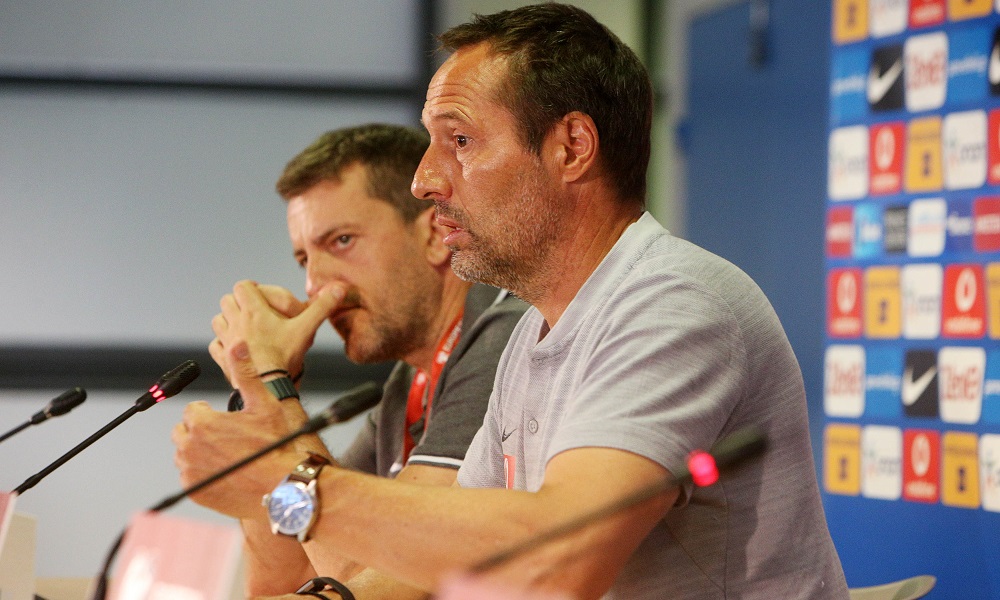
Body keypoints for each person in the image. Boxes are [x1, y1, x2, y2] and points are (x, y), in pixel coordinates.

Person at [174, 4, 849, 599]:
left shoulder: (674, 304)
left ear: (571, 148)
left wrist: (295, 483)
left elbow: (559, 563)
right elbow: (427, 572)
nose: (424, 180)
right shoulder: (533, 337)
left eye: (460, 141)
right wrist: (281, 468)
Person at [198, 123, 527, 595]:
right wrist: (256, 390)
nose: (315, 286)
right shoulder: (406, 385)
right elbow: (283, 577)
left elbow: (368, 580)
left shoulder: (503, 341)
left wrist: (275, 387)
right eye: (304, 260)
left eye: (341, 242)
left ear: (435, 234)